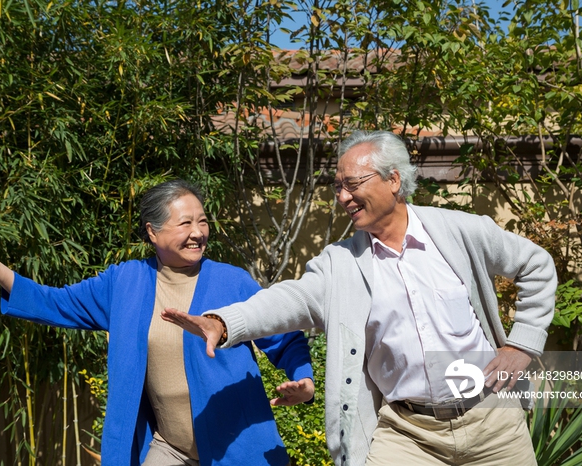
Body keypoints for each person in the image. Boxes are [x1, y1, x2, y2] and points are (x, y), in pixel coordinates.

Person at [162, 131, 558, 466]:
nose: (342, 197)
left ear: (393, 180)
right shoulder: (341, 263)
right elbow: (291, 299)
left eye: (352, 184)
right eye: (337, 186)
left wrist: (521, 344)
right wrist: (224, 322)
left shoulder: (459, 231)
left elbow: (536, 265)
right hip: (408, 434)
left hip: (493, 422)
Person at [0, 179, 315, 466]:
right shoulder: (125, 282)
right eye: (185, 223)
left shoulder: (232, 281)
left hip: (234, 448)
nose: (198, 233)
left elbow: (283, 336)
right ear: (153, 232)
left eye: (203, 221)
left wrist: (304, 381)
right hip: (170, 446)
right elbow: (59, 302)